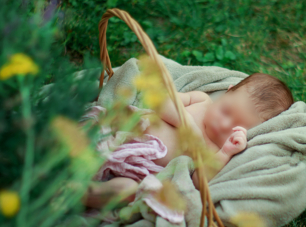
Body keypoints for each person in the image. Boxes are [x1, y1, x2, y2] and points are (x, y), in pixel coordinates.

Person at [81, 73, 294, 209]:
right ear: (227, 92)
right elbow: (160, 102)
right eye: (226, 110)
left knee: (128, 191)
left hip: (136, 170)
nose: (223, 124)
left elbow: (198, 183)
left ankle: (83, 195)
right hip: (121, 133)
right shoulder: (202, 100)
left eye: (235, 126)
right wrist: (188, 126)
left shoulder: (215, 150)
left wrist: (226, 153)